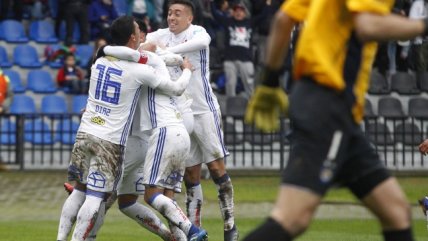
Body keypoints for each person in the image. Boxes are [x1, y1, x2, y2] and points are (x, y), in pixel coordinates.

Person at [243, 0, 428, 240]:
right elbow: (366, 26)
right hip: (330, 104)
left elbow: (282, 21)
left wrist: (269, 82)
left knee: (396, 212)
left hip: (327, 107)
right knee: (293, 217)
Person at [55, 15, 196, 241]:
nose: (143, 34)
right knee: (100, 198)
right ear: (133, 37)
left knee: (82, 191)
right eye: (139, 30)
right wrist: (185, 67)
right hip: (112, 140)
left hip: (86, 131)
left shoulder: (99, 60)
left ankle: (61, 238)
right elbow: (174, 84)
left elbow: (112, 51)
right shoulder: (138, 69)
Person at [146, 1, 238, 240]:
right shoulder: (161, 34)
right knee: (190, 176)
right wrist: (154, 47)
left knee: (217, 168)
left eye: (177, 13)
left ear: (189, 17)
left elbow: (203, 43)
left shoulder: (197, 32)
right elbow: (145, 44)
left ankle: (230, 225)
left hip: (203, 108)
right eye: (169, 13)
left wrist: (166, 52)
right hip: (181, 113)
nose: (171, 17)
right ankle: (194, 229)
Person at [210, 0, 272, 99]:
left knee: (249, 86)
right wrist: (212, 2)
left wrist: (268, 4)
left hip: (246, 60)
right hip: (230, 60)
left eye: (241, 11)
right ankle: (231, 112)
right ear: (233, 12)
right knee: (230, 85)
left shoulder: (250, 22)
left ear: (244, 12)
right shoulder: (228, 22)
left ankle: (251, 109)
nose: (238, 12)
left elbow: (263, 16)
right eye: (236, 10)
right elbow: (215, 15)